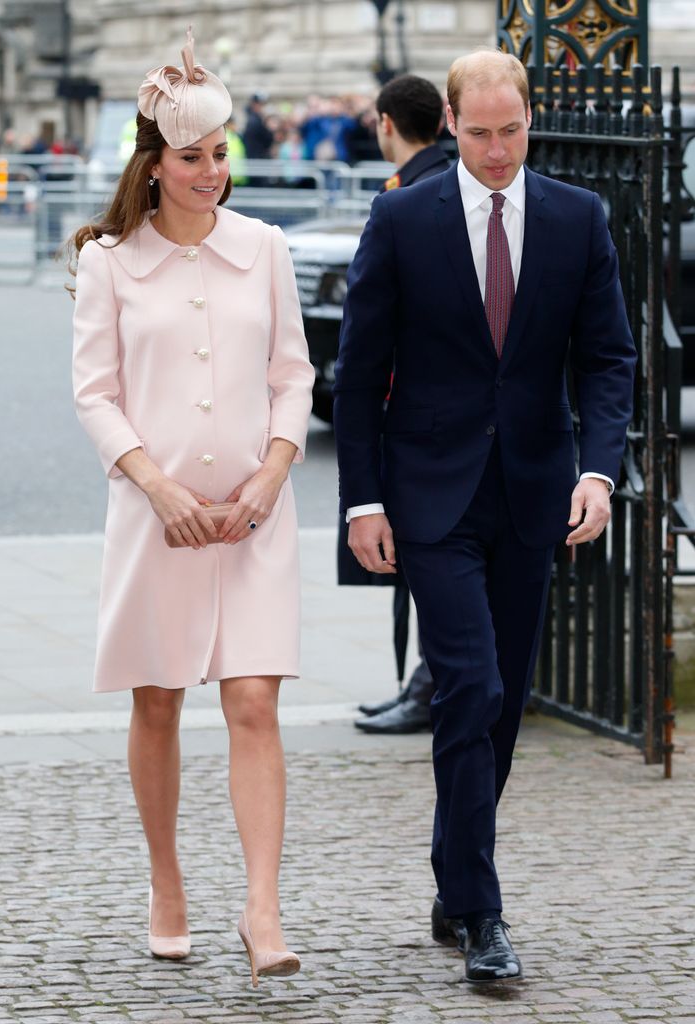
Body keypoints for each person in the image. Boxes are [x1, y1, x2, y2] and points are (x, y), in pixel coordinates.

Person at [333, 50, 636, 983]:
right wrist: (363, 499)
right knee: (472, 688)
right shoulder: (400, 216)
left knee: (503, 702)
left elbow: (609, 359)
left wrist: (598, 472)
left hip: (536, 491)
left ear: (530, 119)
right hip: (430, 494)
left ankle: (452, 872)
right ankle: (482, 911)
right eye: (479, 133)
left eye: (513, 131)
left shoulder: (578, 217)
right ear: (451, 125)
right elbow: (356, 366)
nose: (498, 151)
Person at [69, 29, 314, 987]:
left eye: (220, 155)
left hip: (255, 518)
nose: (212, 173)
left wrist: (271, 475)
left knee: (254, 702)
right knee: (159, 701)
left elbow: (293, 375)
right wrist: (157, 485)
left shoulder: (267, 249)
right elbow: (95, 392)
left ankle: (263, 909)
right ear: (154, 162)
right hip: (154, 517)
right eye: (193, 157)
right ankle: (167, 884)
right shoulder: (108, 262)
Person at [338, 74, 450, 736]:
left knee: (426, 564)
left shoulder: (409, 191)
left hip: (419, 408)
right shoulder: (418, 182)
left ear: (386, 123)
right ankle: (422, 683)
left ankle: (430, 686)